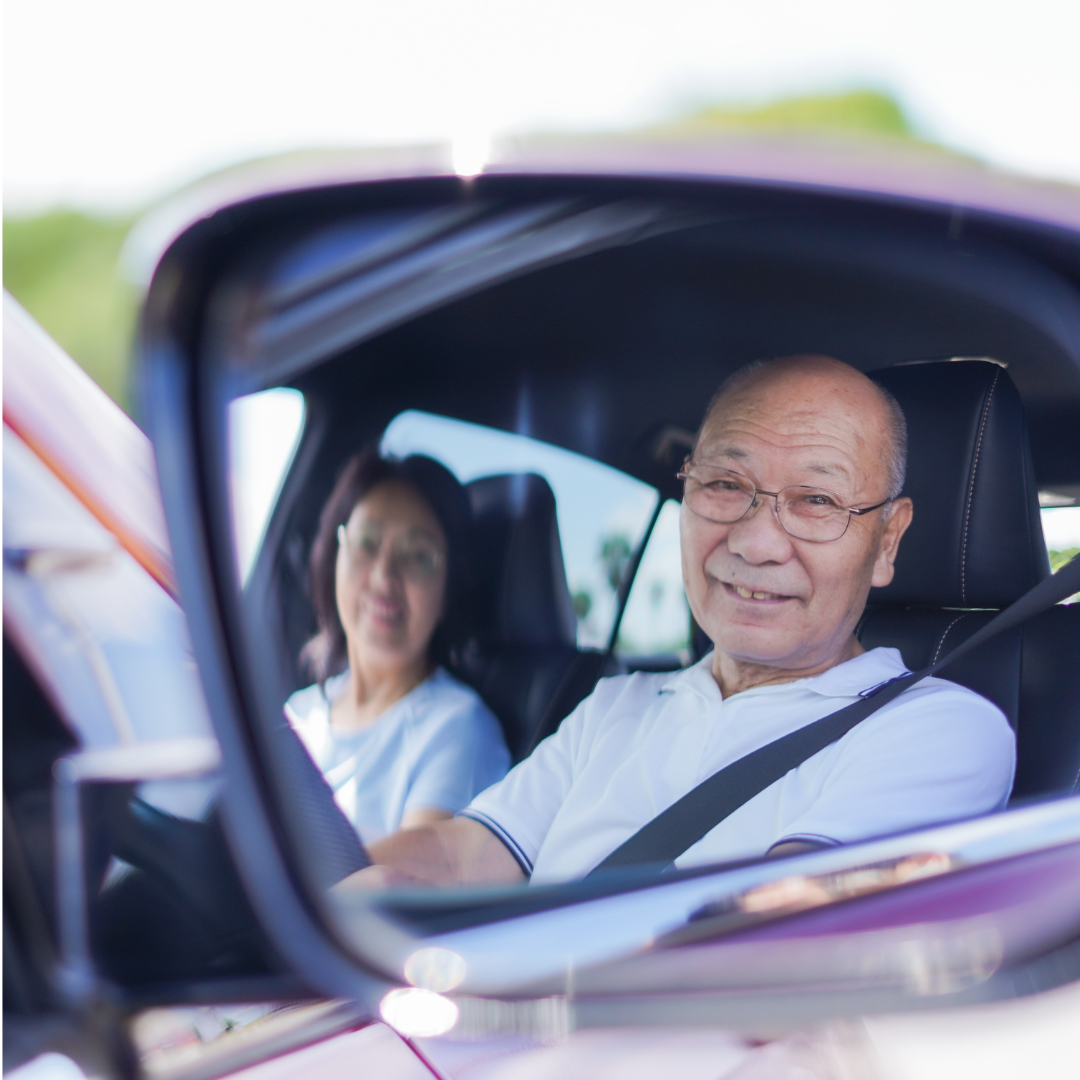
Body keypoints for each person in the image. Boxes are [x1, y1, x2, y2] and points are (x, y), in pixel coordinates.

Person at [349, 355, 1015, 887]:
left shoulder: (940, 728)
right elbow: (461, 855)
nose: (756, 543)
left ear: (888, 541)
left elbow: (778, 929)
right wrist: (314, 889)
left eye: (816, 500)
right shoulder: (616, 707)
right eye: (725, 484)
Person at [286, 450, 509, 843]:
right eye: (367, 542)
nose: (384, 577)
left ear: (448, 591)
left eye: (418, 557)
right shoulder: (298, 715)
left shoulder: (457, 729)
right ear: (336, 555)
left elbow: (410, 882)